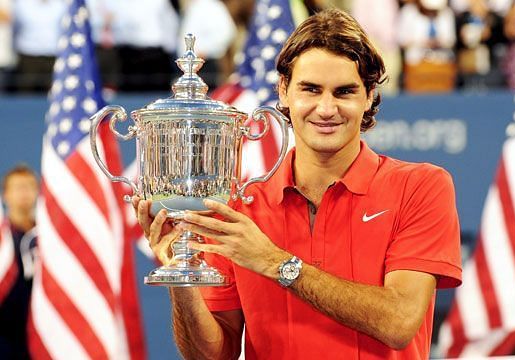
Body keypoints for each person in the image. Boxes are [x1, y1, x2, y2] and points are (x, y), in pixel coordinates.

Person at [134, 8, 462, 359]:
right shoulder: (239, 208)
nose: (325, 108)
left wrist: (275, 262)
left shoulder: (421, 186)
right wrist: (180, 276)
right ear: (284, 91)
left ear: (368, 96)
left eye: (344, 92)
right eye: (311, 89)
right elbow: (214, 355)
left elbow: (398, 322)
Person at [0, 165, 39, 358]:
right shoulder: (2, 241)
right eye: (17, 187)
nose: (23, 192)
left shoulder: (49, 239)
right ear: (5, 195)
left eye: (29, 186)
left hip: (44, 332)